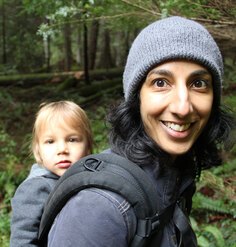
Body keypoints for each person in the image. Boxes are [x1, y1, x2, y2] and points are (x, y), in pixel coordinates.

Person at [46, 16, 235, 247]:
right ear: (137, 97)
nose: (183, 107)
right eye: (160, 83)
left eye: (198, 83)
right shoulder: (97, 208)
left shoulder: (174, 177)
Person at [10, 100, 93, 247]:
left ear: (88, 147)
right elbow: (22, 239)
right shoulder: (35, 188)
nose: (62, 149)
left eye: (72, 140)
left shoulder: (88, 180)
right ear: (38, 151)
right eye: (50, 141)